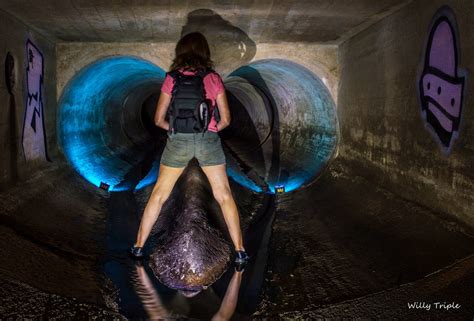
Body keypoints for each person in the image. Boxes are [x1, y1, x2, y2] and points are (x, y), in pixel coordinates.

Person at [130, 32, 249, 265]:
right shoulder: (213, 78)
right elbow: (226, 119)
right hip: (208, 140)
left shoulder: (171, 78)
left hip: (178, 141)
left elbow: (158, 120)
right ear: (205, 52)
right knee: (224, 195)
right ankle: (240, 251)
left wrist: (174, 130)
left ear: (180, 51)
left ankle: (138, 247)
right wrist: (211, 130)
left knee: (159, 195)